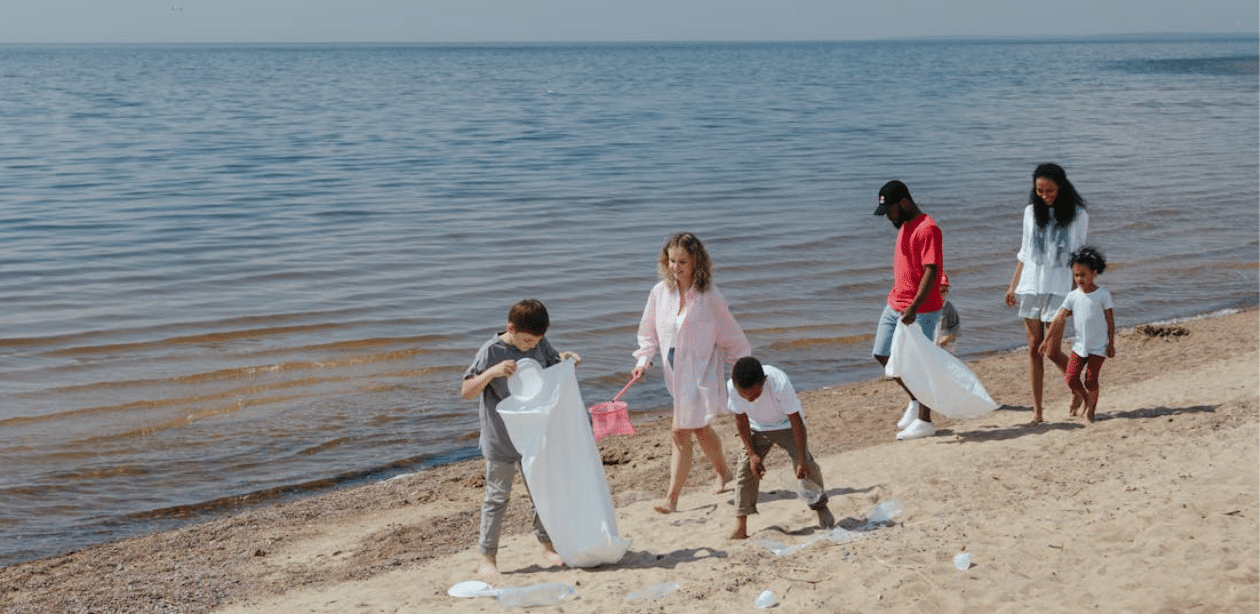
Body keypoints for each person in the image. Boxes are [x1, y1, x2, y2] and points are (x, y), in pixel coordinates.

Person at [460, 298, 582, 582]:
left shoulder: (539, 343)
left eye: (536, 341)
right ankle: (487, 558)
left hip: (533, 438)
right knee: (496, 498)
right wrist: (491, 373)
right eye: (526, 340)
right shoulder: (492, 351)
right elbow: (466, 391)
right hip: (500, 439)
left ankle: (547, 547)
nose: (531, 346)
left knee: (541, 493)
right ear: (510, 328)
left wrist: (567, 358)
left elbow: (552, 364)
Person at [633, 232, 751, 514]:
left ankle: (671, 499)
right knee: (698, 426)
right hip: (673, 369)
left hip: (701, 370)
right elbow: (648, 331)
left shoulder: (710, 297)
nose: (675, 267)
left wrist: (742, 372)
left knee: (679, 431)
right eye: (671, 261)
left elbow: (733, 337)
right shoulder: (659, 292)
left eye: (682, 262)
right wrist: (643, 360)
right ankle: (723, 471)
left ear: (697, 261)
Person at [1004, 163, 1090, 424]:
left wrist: (1078, 293)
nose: (1044, 195)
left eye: (1050, 190)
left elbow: (1079, 256)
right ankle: (1038, 413)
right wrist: (1012, 285)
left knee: (1051, 350)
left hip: (1060, 287)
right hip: (1031, 286)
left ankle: (1080, 390)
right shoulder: (1030, 212)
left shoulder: (1078, 214)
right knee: (1033, 350)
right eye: (1039, 191)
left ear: (1061, 187)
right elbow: (1024, 252)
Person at [726, 356, 834, 539]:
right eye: (744, 395)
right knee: (745, 470)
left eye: (754, 394)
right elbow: (741, 420)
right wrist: (752, 454)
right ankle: (741, 525)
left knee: (807, 466)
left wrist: (800, 459)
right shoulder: (732, 386)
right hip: (756, 428)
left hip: (786, 425)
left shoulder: (779, 382)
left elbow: (796, 422)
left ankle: (820, 507)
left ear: (764, 382)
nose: (749, 399)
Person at [871, 180, 945, 441]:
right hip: (895, 304)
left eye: (890, 211)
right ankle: (916, 400)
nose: (888, 217)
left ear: (903, 203)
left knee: (921, 365)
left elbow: (932, 270)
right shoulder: (904, 225)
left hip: (921, 310)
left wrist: (914, 307)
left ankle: (925, 421)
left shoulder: (928, 228)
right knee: (882, 353)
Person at [1040, 247, 1115, 422]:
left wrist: (1111, 343)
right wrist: (1046, 340)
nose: (1079, 279)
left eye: (1083, 275)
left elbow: (1110, 321)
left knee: (1091, 379)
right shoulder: (1072, 296)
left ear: (1094, 273)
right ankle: (1085, 398)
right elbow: (1058, 319)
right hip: (1079, 346)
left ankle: (1091, 412)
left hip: (1098, 347)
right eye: (1076, 275)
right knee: (1071, 378)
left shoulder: (1103, 295)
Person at [935, 271, 961, 352]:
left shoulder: (949, 308)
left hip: (945, 344)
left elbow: (956, 328)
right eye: (940, 291)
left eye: (945, 291)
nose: (943, 294)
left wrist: (948, 337)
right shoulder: (924, 306)